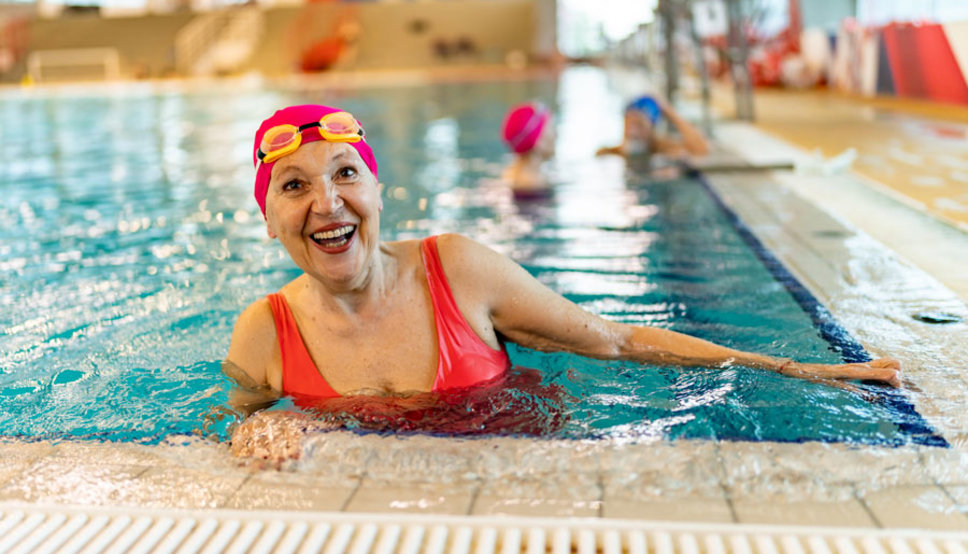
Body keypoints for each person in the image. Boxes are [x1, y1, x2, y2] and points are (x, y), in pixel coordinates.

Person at [225, 104, 900, 462]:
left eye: (346, 174)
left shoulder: (456, 270)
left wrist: (796, 368)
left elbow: (615, 341)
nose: (327, 202)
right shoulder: (263, 333)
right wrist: (245, 437)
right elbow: (220, 432)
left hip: (530, 475)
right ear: (268, 220)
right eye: (294, 186)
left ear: (379, 190)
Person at [596, 94, 710, 160]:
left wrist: (669, 111)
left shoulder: (664, 150)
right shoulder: (609, 153)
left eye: (639, 126)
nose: (632, 132)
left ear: (652, 129)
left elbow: (701, 149)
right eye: (628, 125)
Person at [499, 101, 555, 198]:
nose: (556, 135)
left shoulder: (508, 175)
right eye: (552, 128)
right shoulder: (534, 186)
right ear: (540, 141)